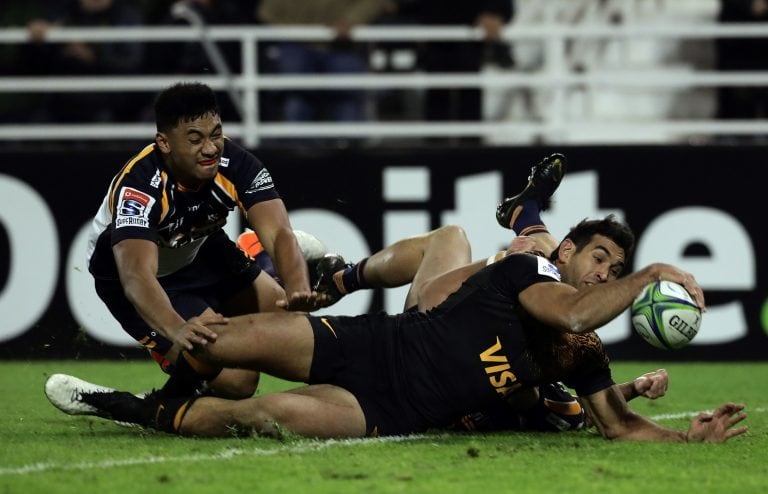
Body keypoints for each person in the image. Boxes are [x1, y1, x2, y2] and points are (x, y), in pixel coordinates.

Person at [44, 207, 746, 442]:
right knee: (218, 339)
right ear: (566, 252)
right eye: (599, 256)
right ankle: (322, 278)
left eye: (616, 264)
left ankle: (124, 407)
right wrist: (649, 273)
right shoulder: (534, 278)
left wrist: (685, 435)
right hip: (368, 342)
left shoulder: (582, 351)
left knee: (257, 416)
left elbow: (617, 426)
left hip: (384, 409)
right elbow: (574, 306)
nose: (605, 270)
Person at [81, 81, 326, 401]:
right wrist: (175, 327)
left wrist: (297, 289)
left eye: (215, 134)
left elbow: (280, 233)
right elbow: (136, 275)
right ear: (164, 143)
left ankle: (254, 252)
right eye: (195, 139)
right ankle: (158, 391)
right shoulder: (140, 187)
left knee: (292, 325)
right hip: (141, 279)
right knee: (238, 384)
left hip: (201, 247)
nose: (210, 148)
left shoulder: (236, 163)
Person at [257, 0, 394, 126]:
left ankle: (348, 145)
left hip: (342, 48)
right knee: (296, 97)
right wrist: (300, 29)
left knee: (347, 97)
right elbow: (267, 12)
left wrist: (351, 21)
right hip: (297, 46)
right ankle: (294, 146)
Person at [15, 0, 145, 123]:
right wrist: (37, 40)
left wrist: (92, 57)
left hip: (107, 100)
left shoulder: (126, 17)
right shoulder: (61, 13)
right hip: (60, 98)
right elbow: (31, 65)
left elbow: (131, 64)